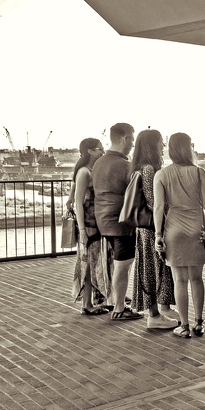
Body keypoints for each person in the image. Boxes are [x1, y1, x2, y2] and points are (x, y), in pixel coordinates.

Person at [154, 132, 205, 338]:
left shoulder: (161, 174)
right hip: (197, 228)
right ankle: (199, 323)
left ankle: (184, 326)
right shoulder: (200, 173)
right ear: (188, 148)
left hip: (174, 230)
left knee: (180, 280)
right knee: (197, 278)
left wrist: (158, 234)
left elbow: (159, 207)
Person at [92, 123, 142, 321]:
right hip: (121, 221)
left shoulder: (99, 162)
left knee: (119, 263)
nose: (132, 144)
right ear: (125, 138)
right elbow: (139, 192)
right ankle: (120, 308)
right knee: (124, 264)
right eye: (132, 139)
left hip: (103, 219)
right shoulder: (124, 165)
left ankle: (117, 301)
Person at [130, 129, 179, 330]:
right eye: (160, 142)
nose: (163, 146)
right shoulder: (149, 169)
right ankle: (155, 314)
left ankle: (160, 309)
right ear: (152, 145)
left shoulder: (138, 167)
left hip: (144, 227)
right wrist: (171, 214)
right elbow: (153, 201)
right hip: (152, 227)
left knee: (151, 267)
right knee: (153, 267)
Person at [72, 138, 110, 315]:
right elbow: (78, 203)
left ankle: (94, 300)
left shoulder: (91, 171)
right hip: (88, 225)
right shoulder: (84, 173)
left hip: (96, 224)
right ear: (90, 151)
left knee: (95, 262)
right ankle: (86, 304)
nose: (103, 152)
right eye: (99, 149)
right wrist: (82, 231)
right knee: (88, 264)